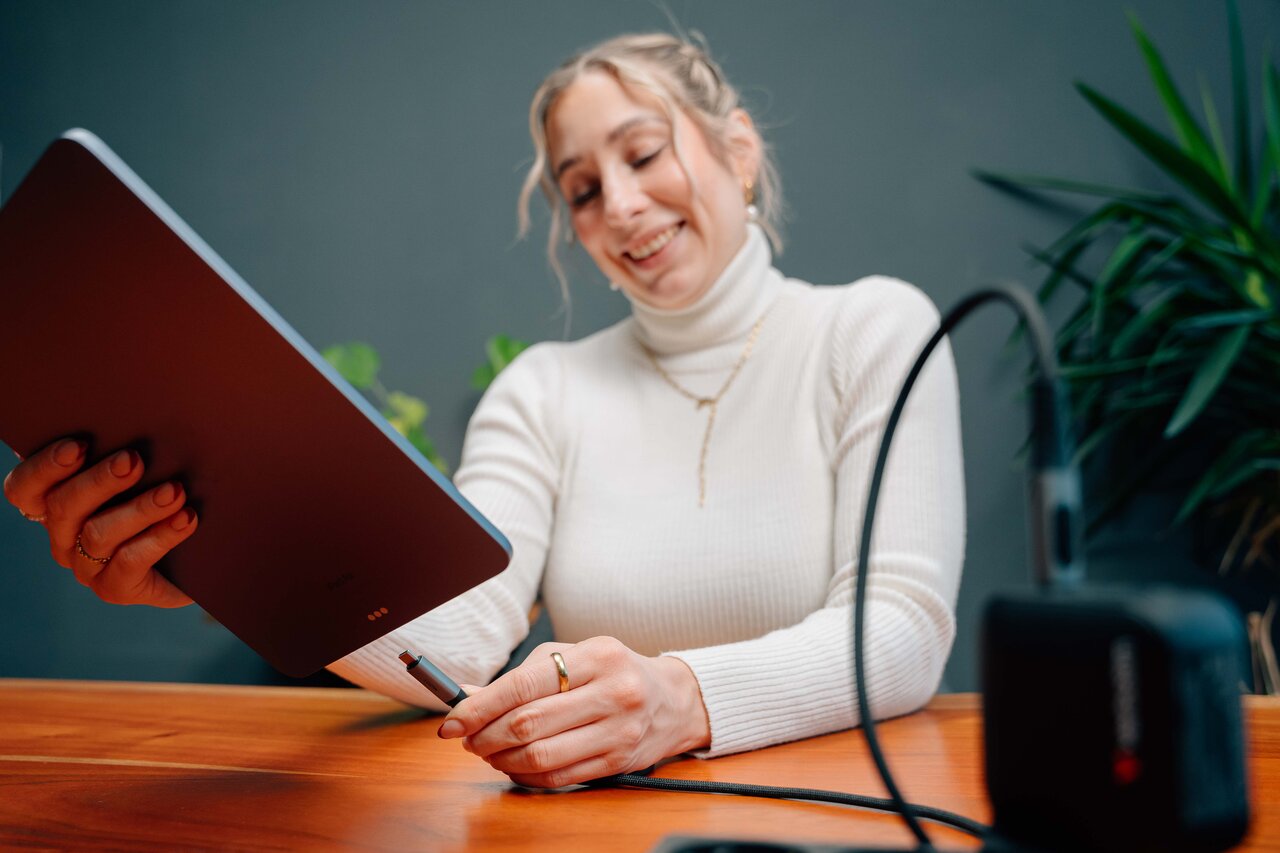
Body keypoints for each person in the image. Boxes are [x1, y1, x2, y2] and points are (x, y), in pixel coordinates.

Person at [3, 32, 965, 789]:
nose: (621, 206)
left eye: (643, 154)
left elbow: (904, 631)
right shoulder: (544, 389)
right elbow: (455, 634)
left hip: (842, 813)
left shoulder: (874, 329)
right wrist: (230, 566)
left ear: (738, 150)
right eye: (583, 189)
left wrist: (682, 696)